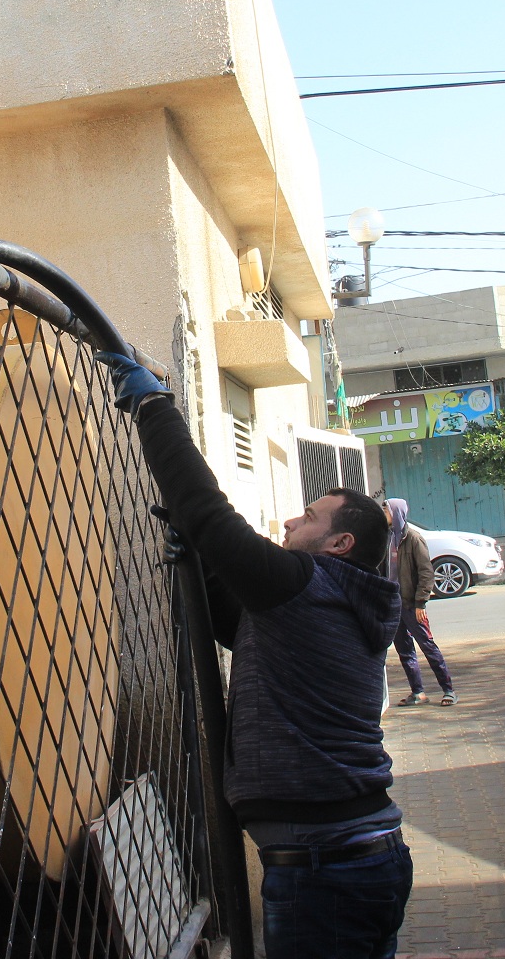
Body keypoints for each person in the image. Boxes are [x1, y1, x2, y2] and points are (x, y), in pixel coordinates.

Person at [97, 351, 411, 958]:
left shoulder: (307, 584)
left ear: (340, 543)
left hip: (326, 873)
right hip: (352, 861)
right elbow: (241, 625)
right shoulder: (328, 602)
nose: (292, 519)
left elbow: (210, 512)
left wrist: (154, 408)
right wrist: (198, 560)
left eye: (311, 516)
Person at [383, 498, 457, 706]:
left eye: (386, 510)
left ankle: (448, 690)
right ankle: (418, 693)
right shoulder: (387, 537)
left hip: (411, 605)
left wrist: (420, 603)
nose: (383, 514)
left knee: (428, 647)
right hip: (394, 605)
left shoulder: (414, 539)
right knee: (404, 651)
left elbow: (426, 573)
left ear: (396, 513)